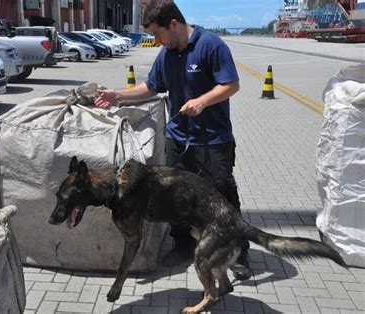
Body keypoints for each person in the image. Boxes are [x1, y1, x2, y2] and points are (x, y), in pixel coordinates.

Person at [94, 0, 251, 280]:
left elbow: (231, 84)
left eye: (158, 34)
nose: (156, 41)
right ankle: (183, 245)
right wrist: (117, 95)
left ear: (174, 25)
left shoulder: (211, 45)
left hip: (212, 139)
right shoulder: (167, 54)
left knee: (222, 194)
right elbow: (151, 86)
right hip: (178, 139)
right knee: (176, 196)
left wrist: (202, 101)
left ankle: (238, 252)